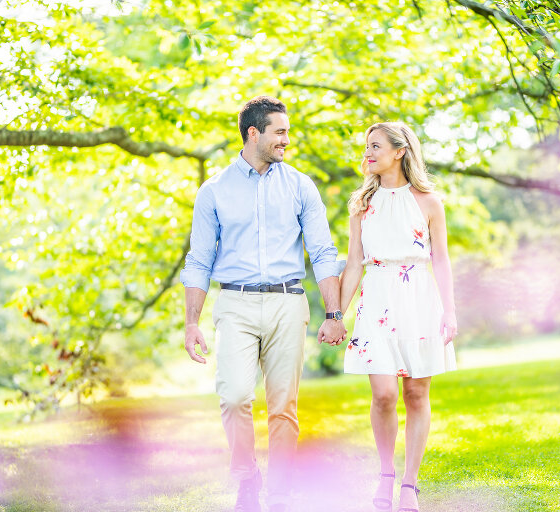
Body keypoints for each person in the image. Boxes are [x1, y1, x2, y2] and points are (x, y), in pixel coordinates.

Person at [180, 95, 347, 512]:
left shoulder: (300, 185)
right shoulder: (213, 191)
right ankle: (247, 475)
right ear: (253, 133)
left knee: (282, 407)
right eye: (280, 132)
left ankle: (280, 494)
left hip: (288, 303)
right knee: (234, 396)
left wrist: (334, 312)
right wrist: (191, 322)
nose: (286, 140)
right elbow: (199, 259)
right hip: (234, 304)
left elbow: (323, 251)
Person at [338, 122, 458, 512]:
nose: (368, 153)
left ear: (400, 151)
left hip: (420, 298)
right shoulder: (361, 204)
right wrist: (336, 313)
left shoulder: (428, 201)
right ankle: (385, 473)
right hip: (376, 299)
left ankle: (409, 484)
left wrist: (450, 311)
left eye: (375, 146)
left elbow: (441, 260)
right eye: (366, 146)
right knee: (385, 393)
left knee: (417, 392)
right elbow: (354, 263)